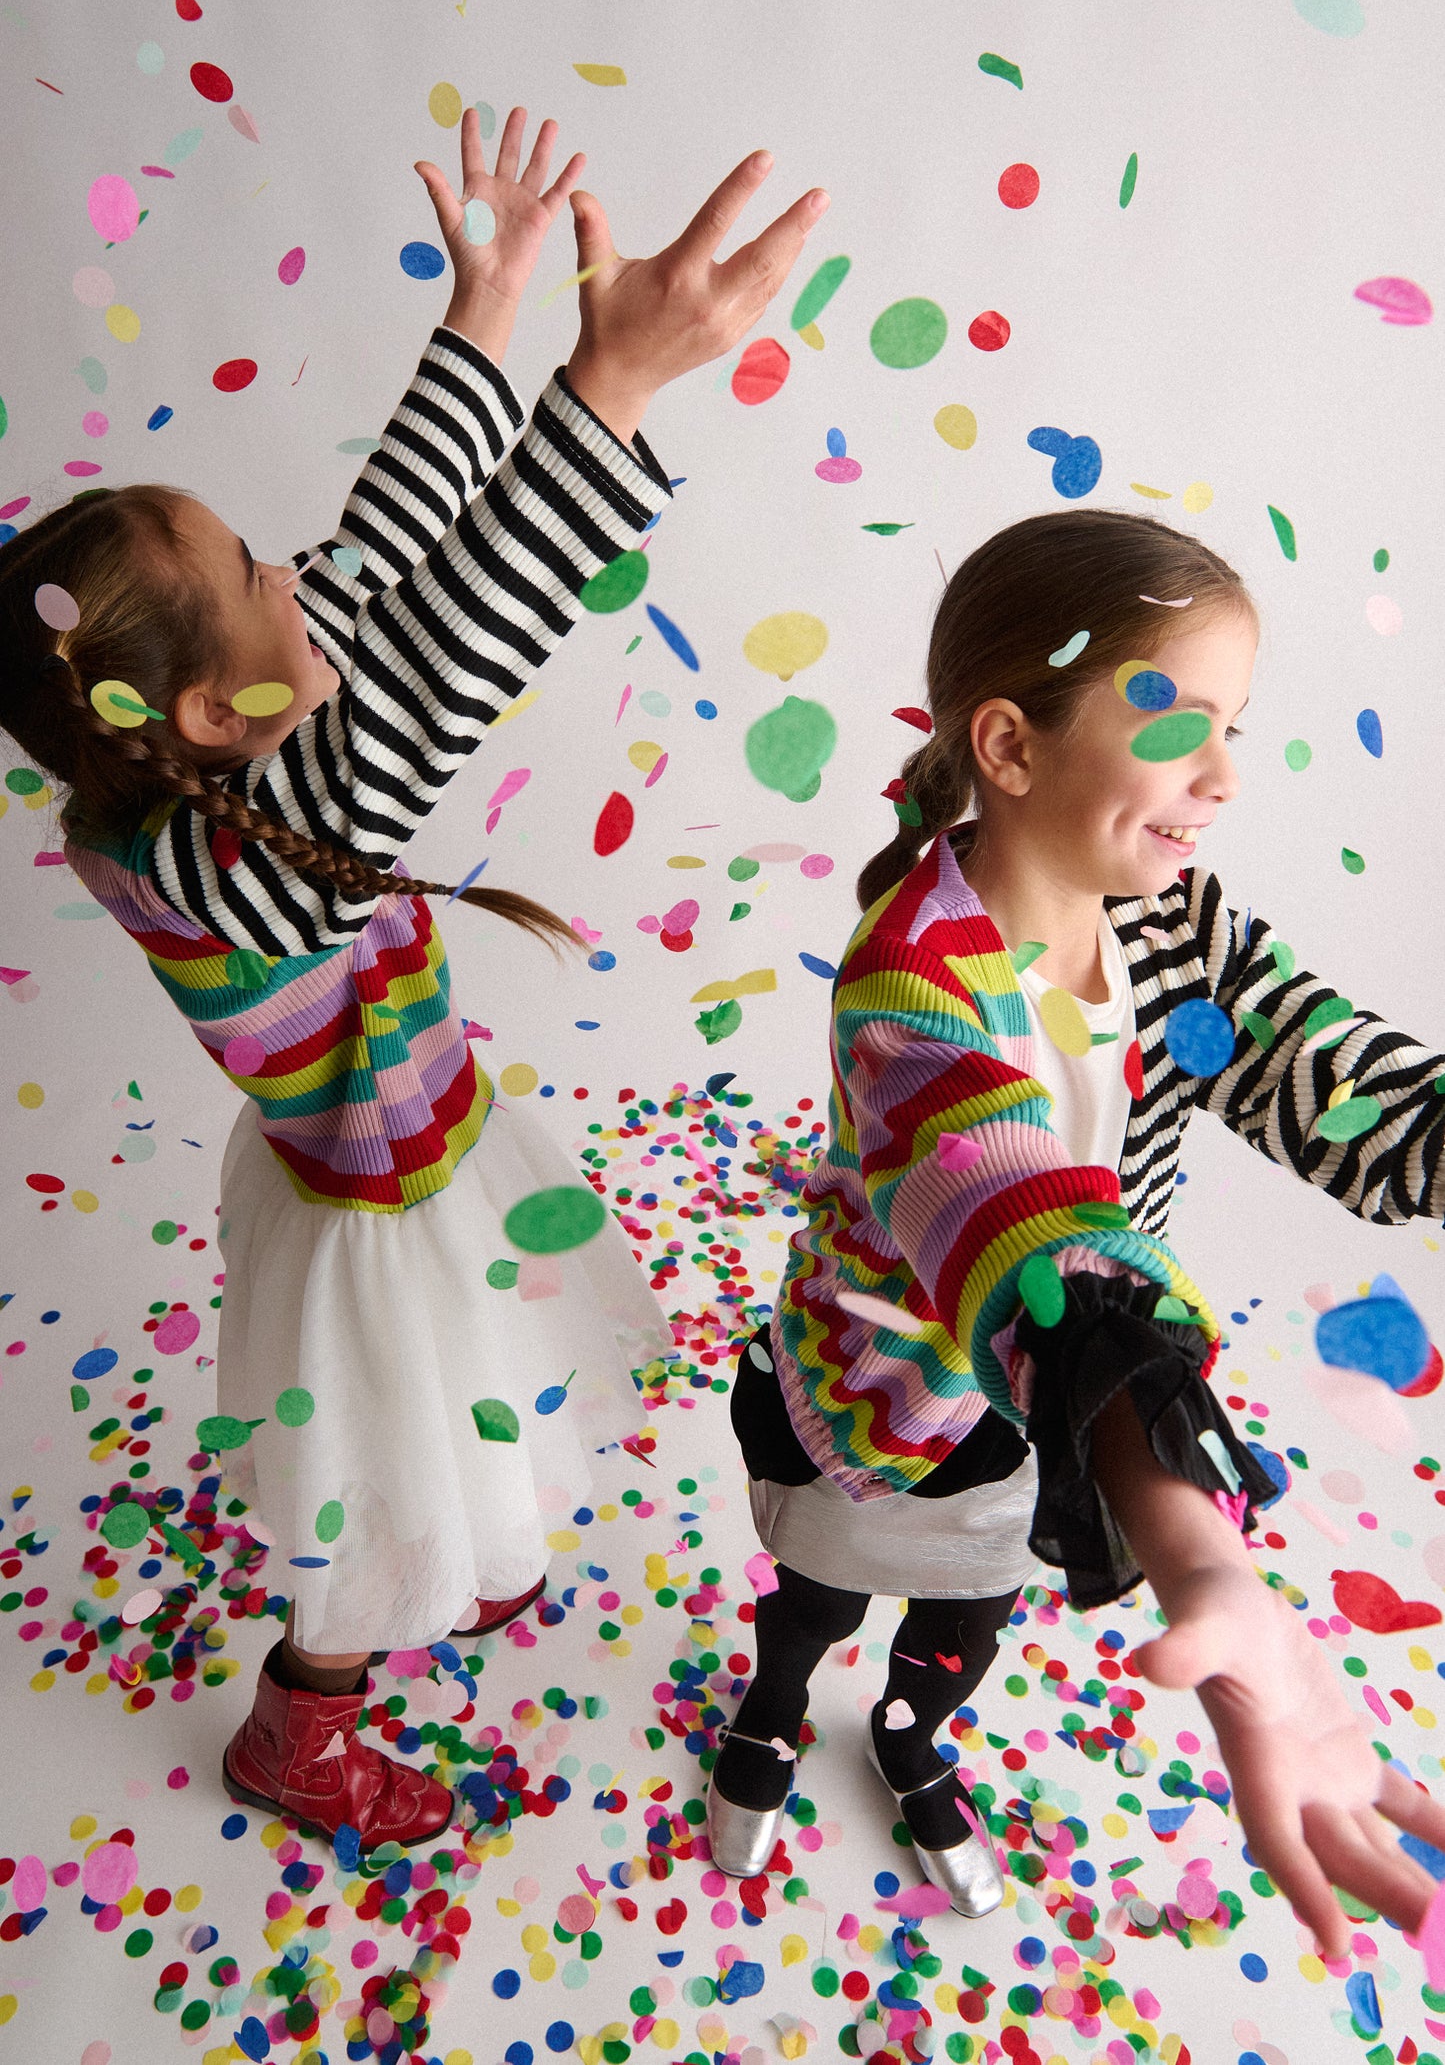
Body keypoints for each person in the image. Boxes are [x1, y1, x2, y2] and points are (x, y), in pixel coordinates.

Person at [0, 105, 830, 1853]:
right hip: (369, 1233)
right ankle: (297, 1730)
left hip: (406, 1165)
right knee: (371, 1499)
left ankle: (461, 1545)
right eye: (250, 572)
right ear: (223, 717)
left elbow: (380, 554)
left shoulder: (190, 781)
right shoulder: (255, 846)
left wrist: (487, 308)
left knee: (471, 1415)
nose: (298, 569)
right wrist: (607, 395)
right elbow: (451, 640)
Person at [712, 506, 1445, 1959]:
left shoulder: (1174, 926)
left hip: (1038, 1433)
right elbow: (1027, 1235)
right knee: (813, 1600)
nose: (1224, 779)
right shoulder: (904, 982)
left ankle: (912, 1741)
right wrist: (1193, 1549)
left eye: (1234, 726)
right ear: (1008, 746)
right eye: (1181, 723)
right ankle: (772, 1712)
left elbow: (1352, 1098)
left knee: (963, 1629)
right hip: (877, 1409)